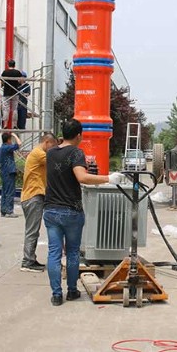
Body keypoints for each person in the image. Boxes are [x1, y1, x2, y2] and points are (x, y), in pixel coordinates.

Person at [44, 119, 125, 306]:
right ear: (79, 136)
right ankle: (72, 291)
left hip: (51, 210)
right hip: (71, 211)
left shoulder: (51, 153)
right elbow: (82, 177)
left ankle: (56, 294)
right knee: (73, 252)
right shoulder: (76, 152)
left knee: (54, 253)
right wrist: (108, 178)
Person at [20, 132, 57, 272]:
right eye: (53, 146)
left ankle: (31, 259)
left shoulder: (38, 153)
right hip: (33, 196)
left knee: (33, 231)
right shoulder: (39, 154)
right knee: (32, 231)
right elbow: (56, 161)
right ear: (47, 142)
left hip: (32, 196)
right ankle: (27, 262)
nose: (53, 149)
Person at [0, 131, 21, 218]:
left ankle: (3, 210)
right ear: (8, 140)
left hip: (4, 172)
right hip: (9, 172)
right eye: (10, 139)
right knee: (10, 191)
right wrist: (15, 135)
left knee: (5, 191)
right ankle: (9, 211)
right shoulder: (6, 147)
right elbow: (19, 144)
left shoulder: (2, 148)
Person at [0, 60, 22, 130]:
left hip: (6, 92)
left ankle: (5, 125)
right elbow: (21, 81)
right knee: (15, 109)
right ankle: (14, 125)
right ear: (14, 65)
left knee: (6, 109)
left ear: (8, 65)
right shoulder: (17, 72)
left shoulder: (5, 72)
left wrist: (2, 85)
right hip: (15, 92)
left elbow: (2, 82)